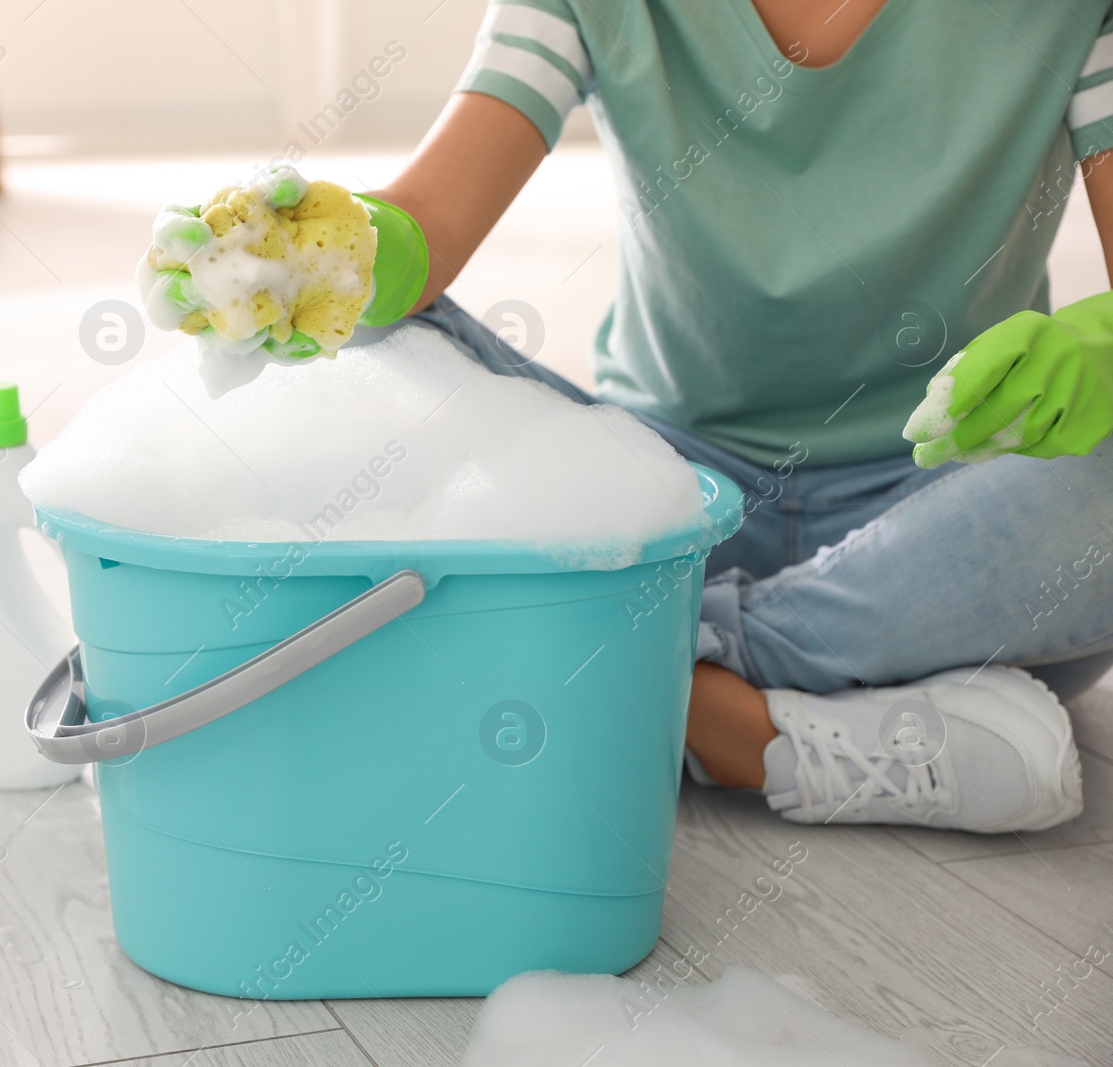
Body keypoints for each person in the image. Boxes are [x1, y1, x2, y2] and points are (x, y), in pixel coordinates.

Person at [147, 0, 1113, 833]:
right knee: (375, 343)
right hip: (664, 503)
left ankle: (664, 684)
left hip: (949, 522)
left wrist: (1102, 339)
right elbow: (428, 226)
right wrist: (342, 254)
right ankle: (769, 714)